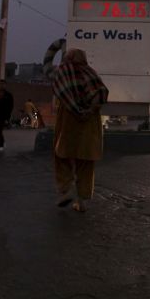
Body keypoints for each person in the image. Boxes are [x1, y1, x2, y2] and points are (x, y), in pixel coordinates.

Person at [50, 49, 108, 213]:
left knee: (62, 156)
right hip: (89, 123)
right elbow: (100, 94)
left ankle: (65, 191)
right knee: (86, 162)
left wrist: (75, 108)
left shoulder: (64, 71)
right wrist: (89, 110)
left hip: (69, 120)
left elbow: (60, 90)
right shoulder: (91, 73)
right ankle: (81, 200)